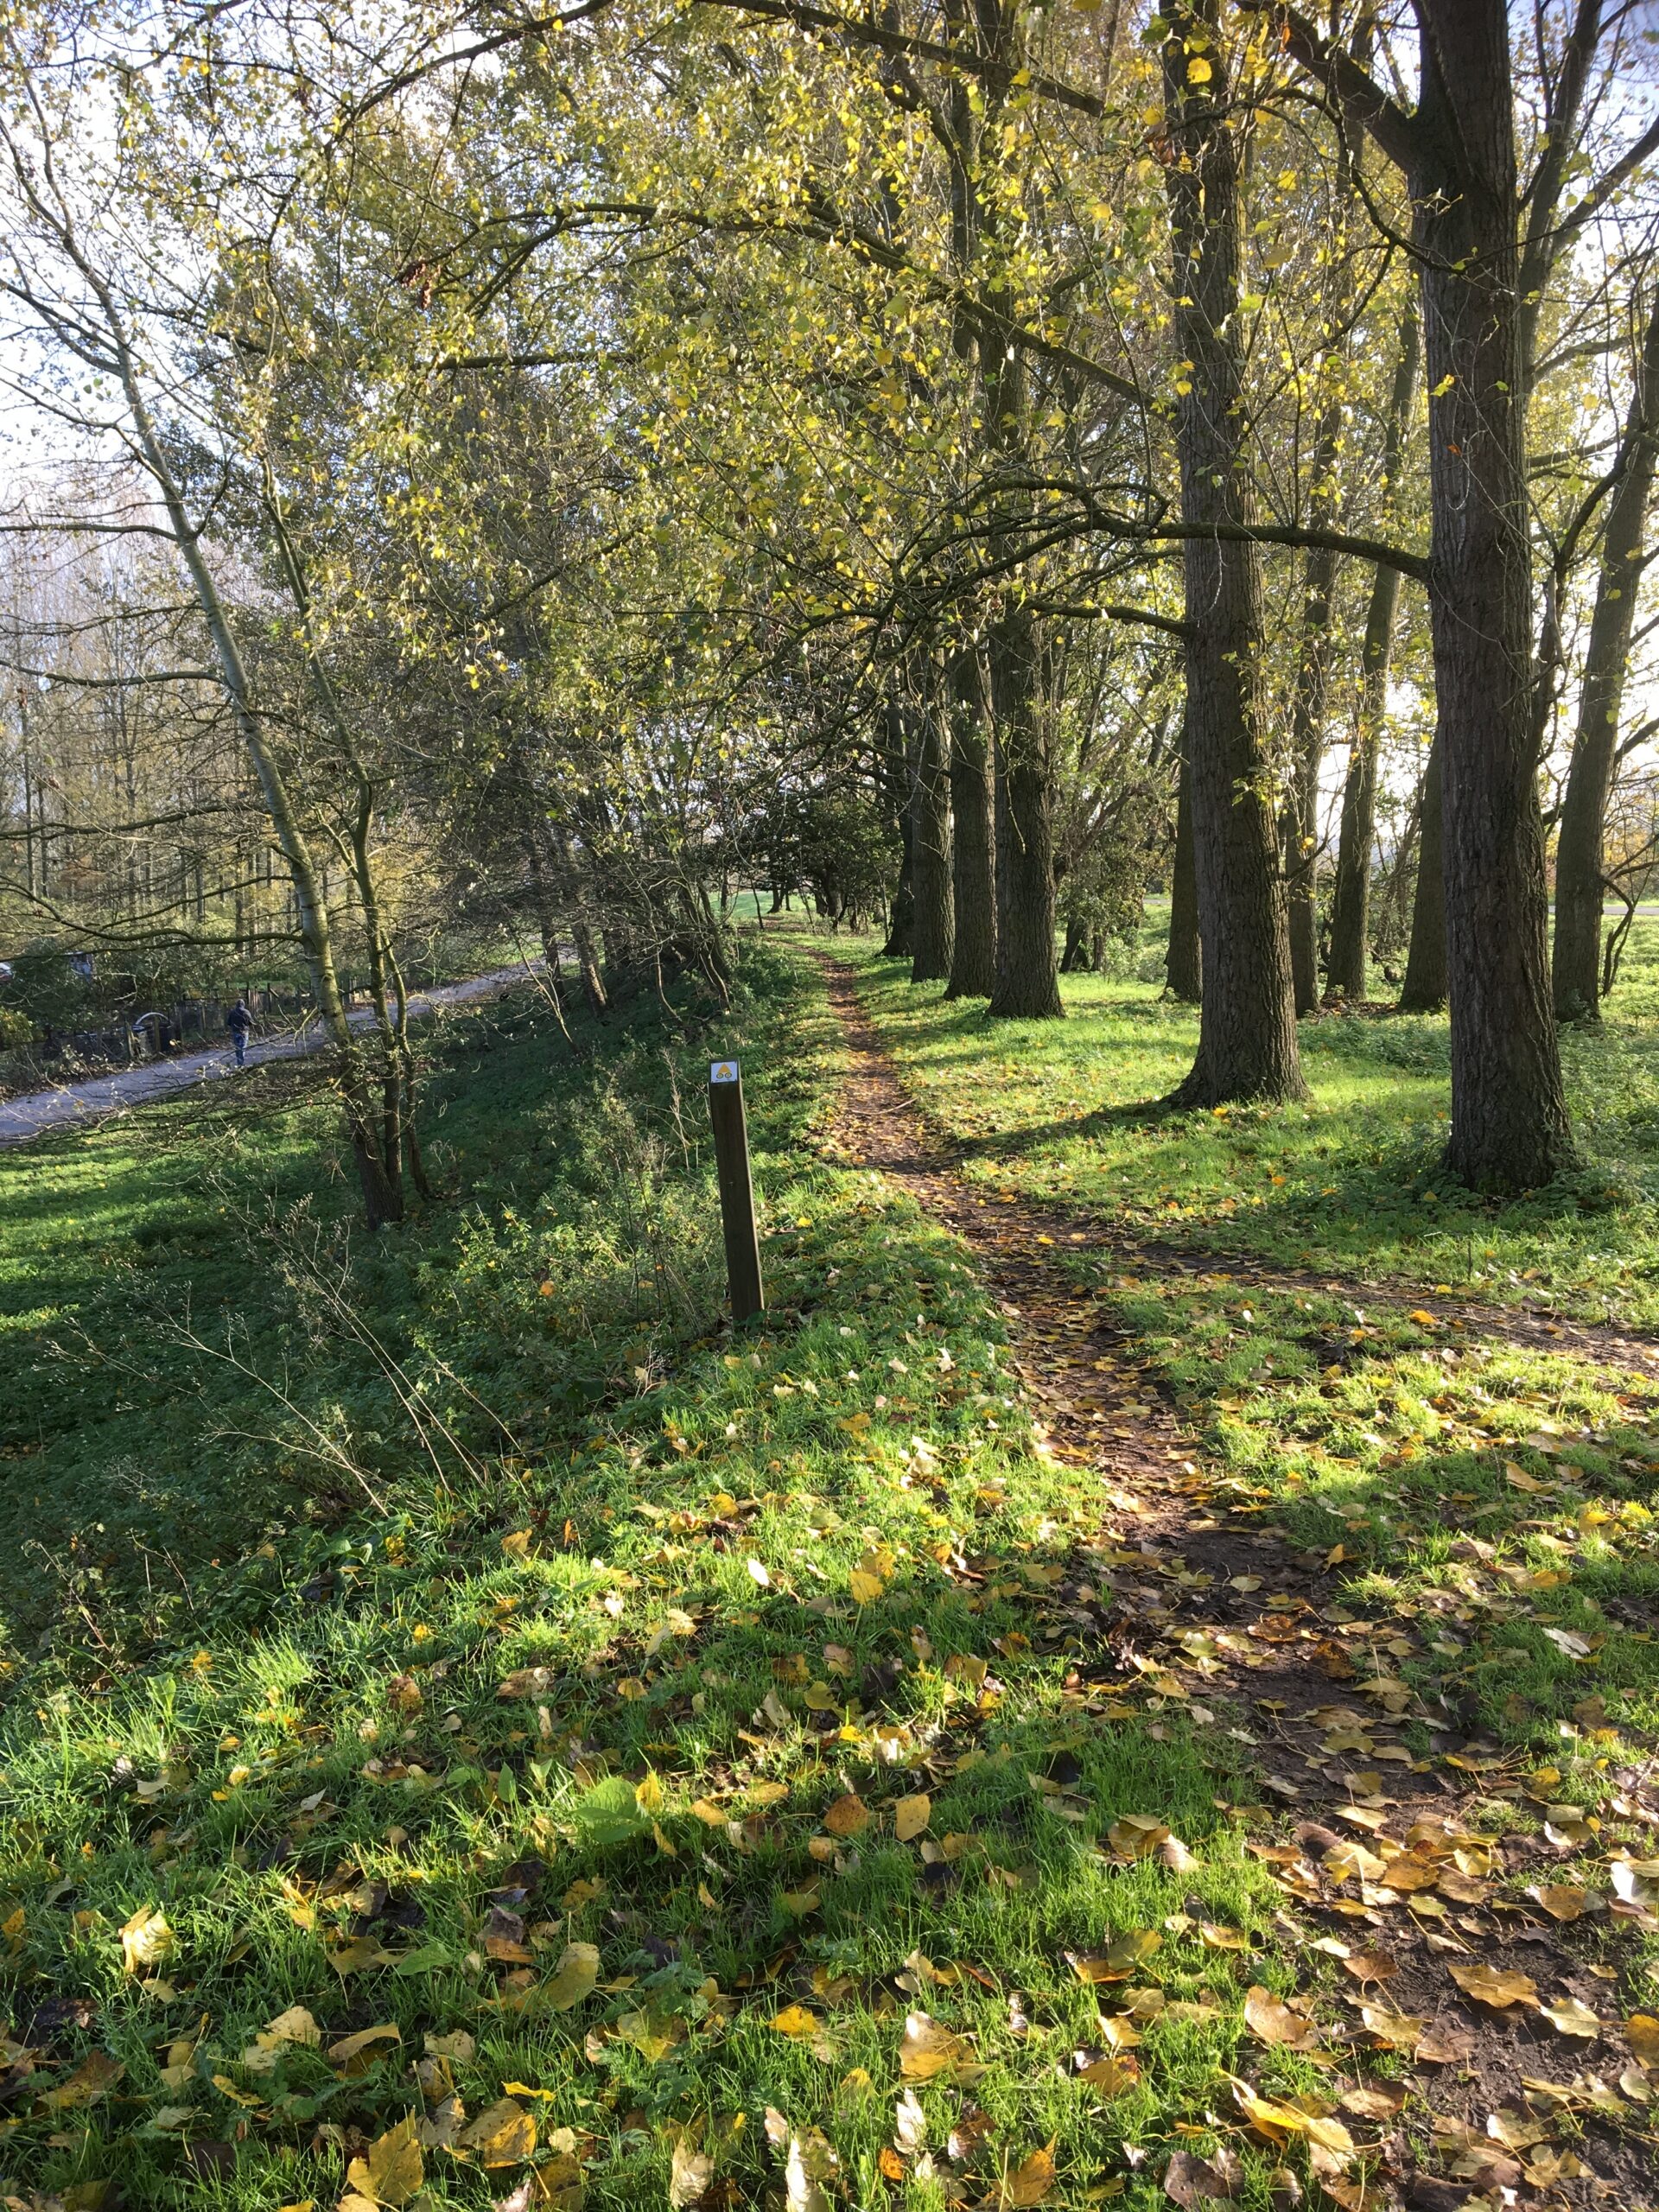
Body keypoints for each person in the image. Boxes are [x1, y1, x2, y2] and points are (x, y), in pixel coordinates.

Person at [226, 997, 254, 1067]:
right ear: (243, 1005)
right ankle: (241, 1065)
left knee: (237, 1048)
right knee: (243, 1048)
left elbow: (228, 1023)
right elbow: (251, 1023)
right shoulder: (246, 1012)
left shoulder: (232, 1012)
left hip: (235, 1032)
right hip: (244, 1032)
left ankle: (239, 1063)